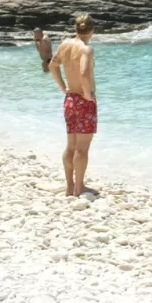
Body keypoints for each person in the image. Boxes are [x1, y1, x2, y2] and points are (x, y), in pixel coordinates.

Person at [48, 13, 97, 197]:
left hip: (70, 100)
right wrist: (88, 95)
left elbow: (53, 65)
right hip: (84, 101)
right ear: (92, 30)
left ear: (76, 29)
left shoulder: (65, 45)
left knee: (71, 146)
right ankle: (80, 187)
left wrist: (63, 87)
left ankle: (70, 186)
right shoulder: (86, 49)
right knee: (82, 148)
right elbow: (84, 73)